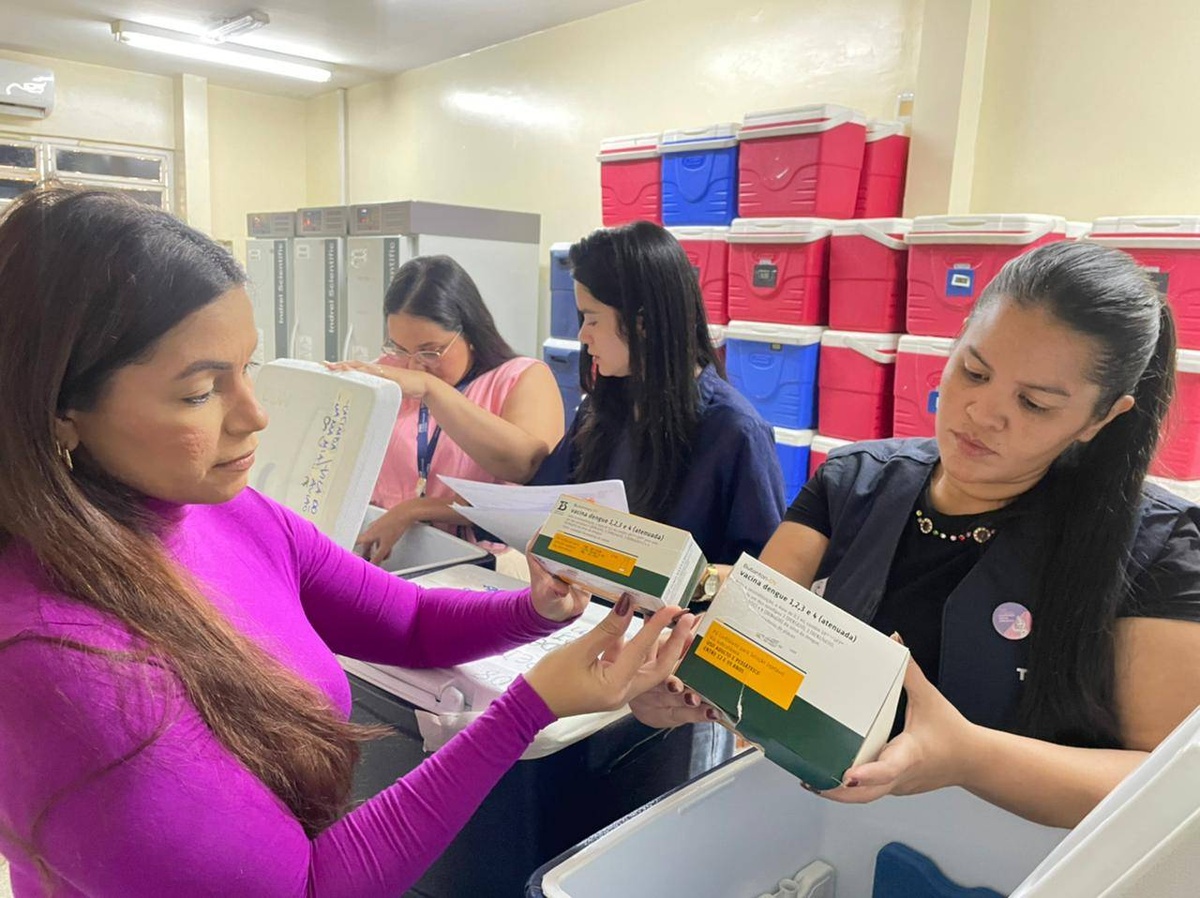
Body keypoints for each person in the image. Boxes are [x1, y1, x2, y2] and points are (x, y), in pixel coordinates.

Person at [0, 188, 697, 897]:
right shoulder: (57, 657)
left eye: (248, 369)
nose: (256, 415)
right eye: (200, 392)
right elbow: (308, 887)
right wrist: (529, 706)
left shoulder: (224, 509)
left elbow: (411, 622)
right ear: (61, 410)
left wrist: (535, 611)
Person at [632, 240, 1200, 829]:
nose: (981, 412)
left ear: (1102, 418)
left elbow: (1168, 780)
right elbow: (745, 642)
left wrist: (969, 758)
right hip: (832, 834)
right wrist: (672, 689)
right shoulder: (855, 482)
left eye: (1033, 404)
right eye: (974, 371)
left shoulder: (1158, 547)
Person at [530, 221, 786, 564]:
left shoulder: (735, 432)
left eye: (592, 319)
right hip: (588, 609)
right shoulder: (599, 411)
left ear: (642, 323)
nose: (582, 336)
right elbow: (548, 501)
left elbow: (764, 574)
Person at [328, 255, 564, 563]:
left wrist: (431, 390)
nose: (414, 364)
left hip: (483, 562)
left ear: (469, 333)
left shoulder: (521, 377)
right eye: (400, 348)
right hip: (391, 554)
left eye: (430, 351)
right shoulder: (387, 372)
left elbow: (525, 473)